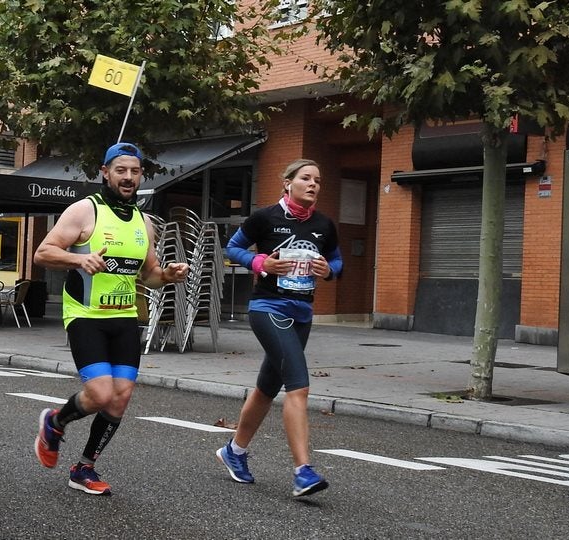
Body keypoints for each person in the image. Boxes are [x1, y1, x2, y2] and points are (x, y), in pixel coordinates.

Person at [31, 142, 189, 496]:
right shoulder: (85, 211)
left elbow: (147, 274)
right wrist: (78, 260)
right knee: (101, 393)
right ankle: (55, 423)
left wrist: (168, 276)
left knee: (121, 396)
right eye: (121, 170)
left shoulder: (144, 222)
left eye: (134, 171)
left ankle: (84, 468)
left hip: (123, 316)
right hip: (85, 314)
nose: (128, 177)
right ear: (105, 173)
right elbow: (43, 252)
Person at [212, 158, 342, 497]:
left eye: (318, 180)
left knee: (267, 388)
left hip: (302, 313)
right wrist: (260, 262)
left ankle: (234, 452)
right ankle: (303, 471)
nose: (313, 184)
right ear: (288, 183)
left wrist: (328, 270)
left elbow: (337, 261)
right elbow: (232, 248)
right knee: (298, 387)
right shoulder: (264, 218)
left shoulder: (324, 225)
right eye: (306, 178)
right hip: (268, 309)